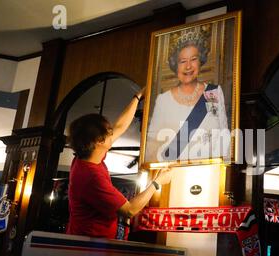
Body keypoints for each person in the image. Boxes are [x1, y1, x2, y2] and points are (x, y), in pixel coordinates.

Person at [67, 88, 172, 240]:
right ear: (99, 142)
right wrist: (157, 183)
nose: (113, 133)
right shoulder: (91, 177)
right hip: (88, 245)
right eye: (109, 133)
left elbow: (120, 126)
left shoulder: (87, 156)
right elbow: (130, 210)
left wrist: (138, 96)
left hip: (94, 241)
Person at [145, 26, 230, 163]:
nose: (188, 66)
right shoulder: (164, 100)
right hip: (173, 171)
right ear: (175, 65)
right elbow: (152, 144)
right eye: (182, 61)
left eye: (193, 59)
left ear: (200, 61)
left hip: (208, 169)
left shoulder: (213, 92)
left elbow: (223, 133)